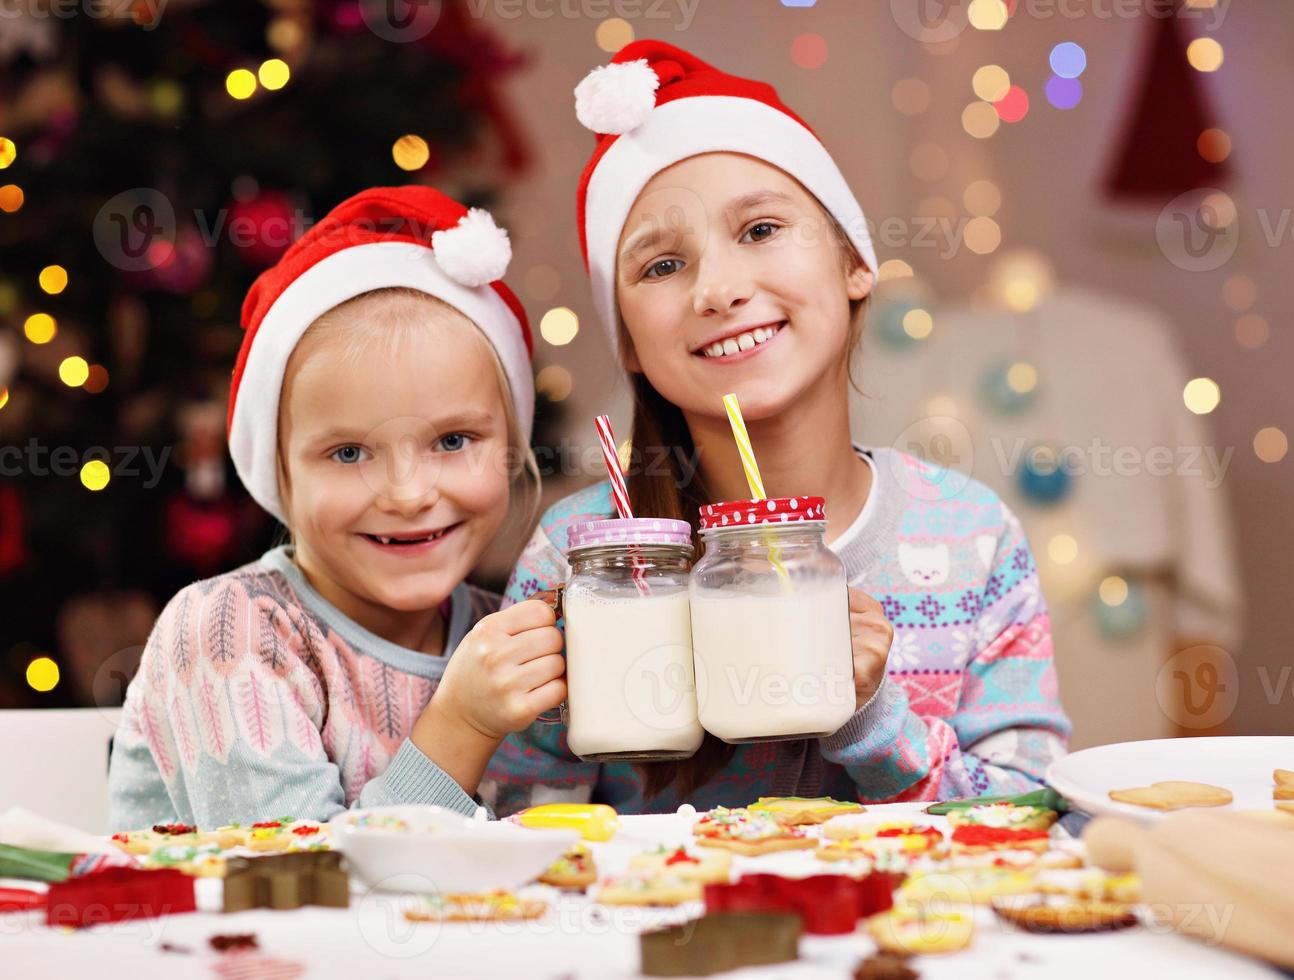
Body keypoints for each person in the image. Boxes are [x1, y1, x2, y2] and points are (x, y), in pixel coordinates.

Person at [485, 41, 1070, 815]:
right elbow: (523, 826)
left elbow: (1032, 819)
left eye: (760, 230)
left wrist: (871, 715)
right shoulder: (579, 559)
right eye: (661, 266)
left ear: (855, 262)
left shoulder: (971, 534)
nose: (720, 290)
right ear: (627, 340)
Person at [108, 186, 564, 829]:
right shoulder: (229, 633)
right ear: (279, 471)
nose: (408, 494)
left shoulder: (515, 631)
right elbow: (295, 886)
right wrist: (461, 725)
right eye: (349, 453)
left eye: (453, 441)